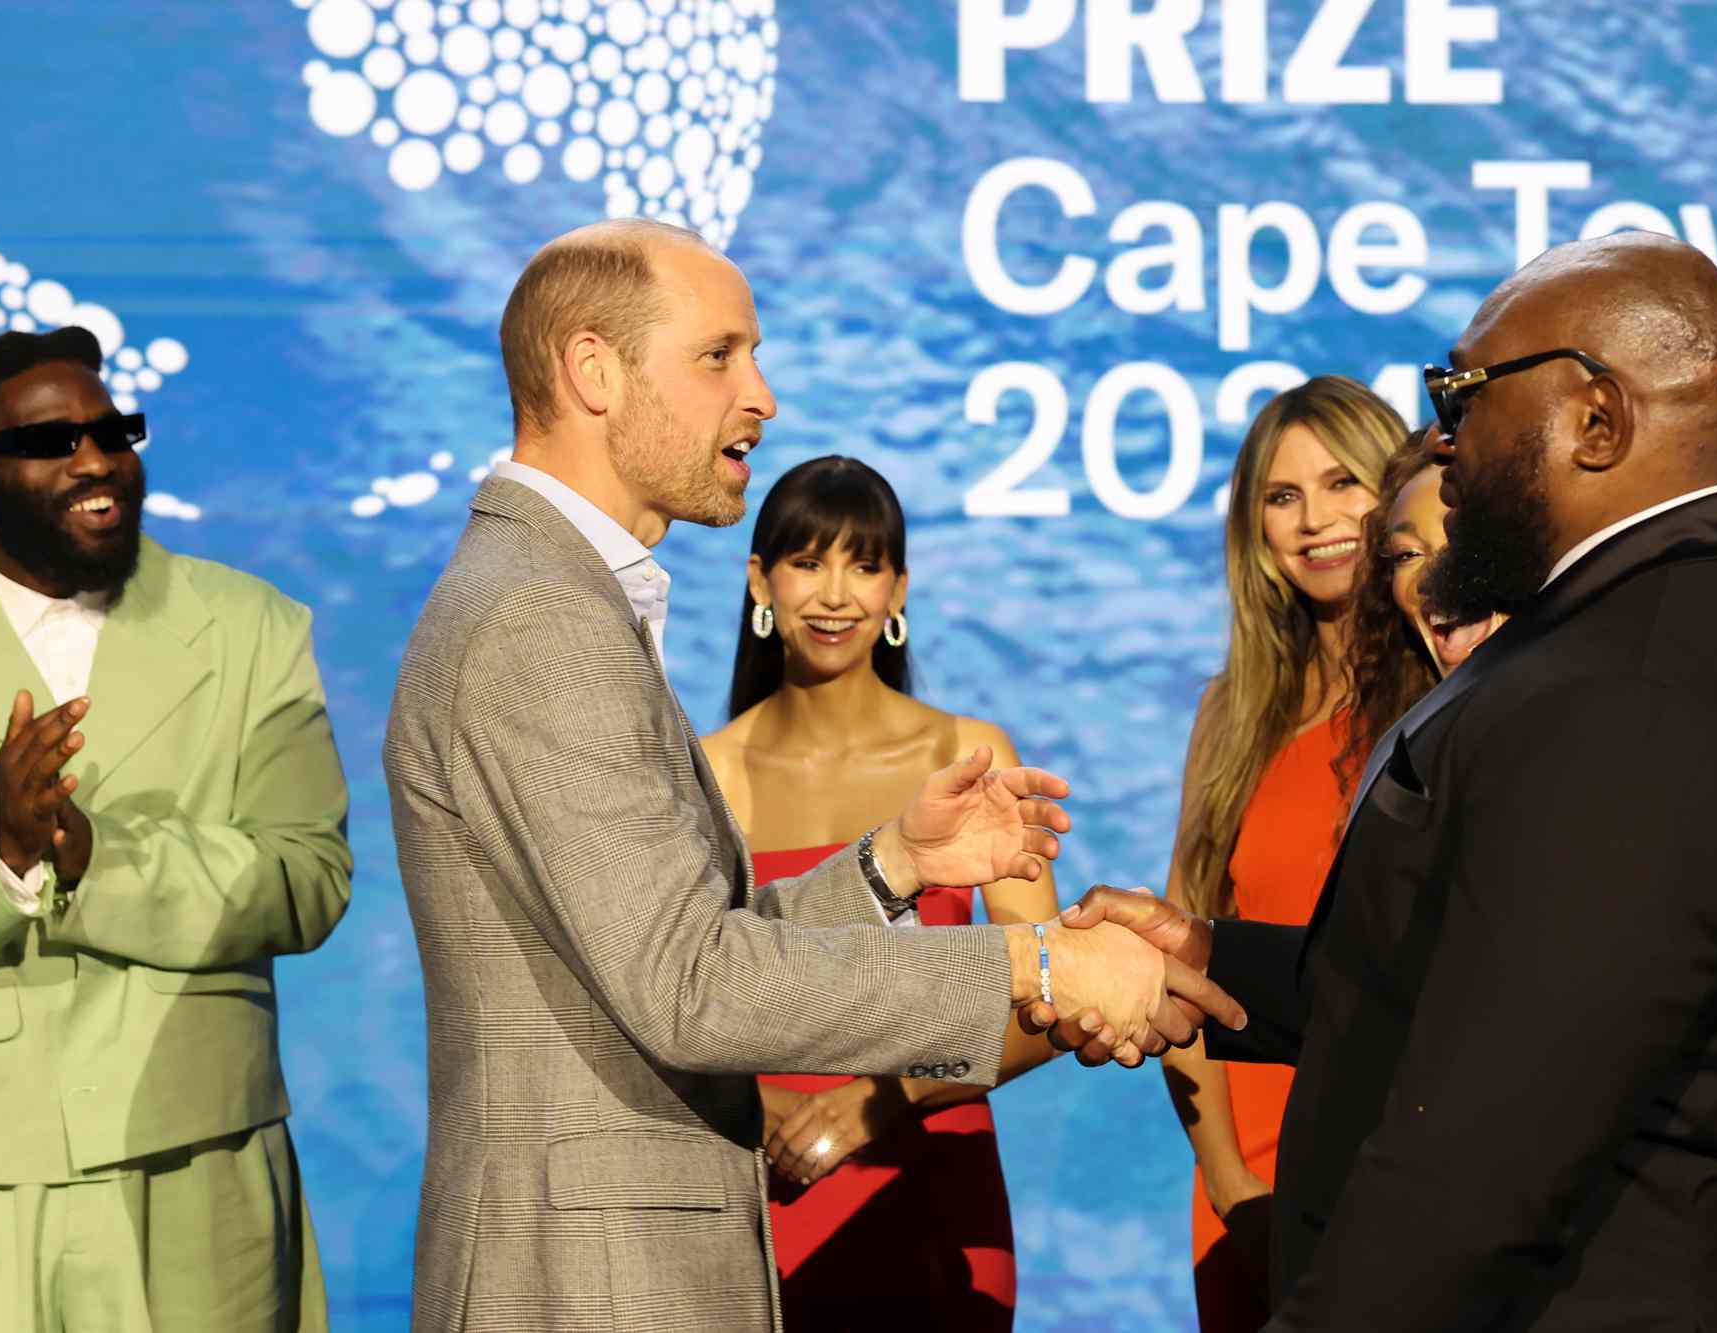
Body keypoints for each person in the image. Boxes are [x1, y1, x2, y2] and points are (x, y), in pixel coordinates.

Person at [381, 218, 1238, 1333]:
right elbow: (692, 986)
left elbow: (673, 945)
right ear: (592, 370)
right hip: (589, 1285)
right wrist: (1035, 962)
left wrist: (894, 863)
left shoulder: (557, 598)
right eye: (718, 355)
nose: (763, 395)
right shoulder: (541, 619)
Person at [1043, 232, 1717, 1331]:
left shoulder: (1626, 691)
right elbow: (1481, 985)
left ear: (1596, 420)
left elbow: (1484, 1157)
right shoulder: (1712, 615)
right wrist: (1212, 954)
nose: (1439, 437)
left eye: (1461, 392)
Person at [0, 327, 353, 1331]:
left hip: (196, 1164)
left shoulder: (253, 628)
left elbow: (309, 879)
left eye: (111, 431)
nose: (95, 461)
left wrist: (95, 856)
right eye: (50, 442)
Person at [702, 454, 1059, 1330]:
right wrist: (756, 1105)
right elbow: (672, 987)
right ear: (761, 579)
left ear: (898, 589)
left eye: (863, 565)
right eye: (807, 561)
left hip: (931, 1181)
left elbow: (1050, 993)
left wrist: (875, 1102)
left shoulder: (969, 755)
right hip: (761, 1181)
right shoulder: (704, 773)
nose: (835, 594)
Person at [1155, 376, 1414, 1332]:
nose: (1316, 520)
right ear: (1255, 530)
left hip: (1415, 1165)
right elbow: (1178, 966)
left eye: (1344, 482)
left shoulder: (1456, 692)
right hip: (1250, 1182)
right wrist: (1227, 1182)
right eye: (1283, 496)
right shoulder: (1230, 716)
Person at [1335, 426, 1508, 780]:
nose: (1430, 577)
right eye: (1408, 554)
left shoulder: (1605, 726)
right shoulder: (1391, 757)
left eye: (1463, 542)